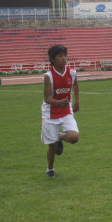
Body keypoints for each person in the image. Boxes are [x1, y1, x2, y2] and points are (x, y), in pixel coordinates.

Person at [41, 45, 79, 177]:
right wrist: (58, 102)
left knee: (74, 138)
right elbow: (46, 98)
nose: (63, 59)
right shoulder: (48, 76)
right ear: (52, 59)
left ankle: (60, 137)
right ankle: (50, 170)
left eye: (64, 56)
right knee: (52, 145)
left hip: (66, 111)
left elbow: (75, 84)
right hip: (50, 113)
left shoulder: (72, 72)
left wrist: (76, 101)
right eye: (59, 56)